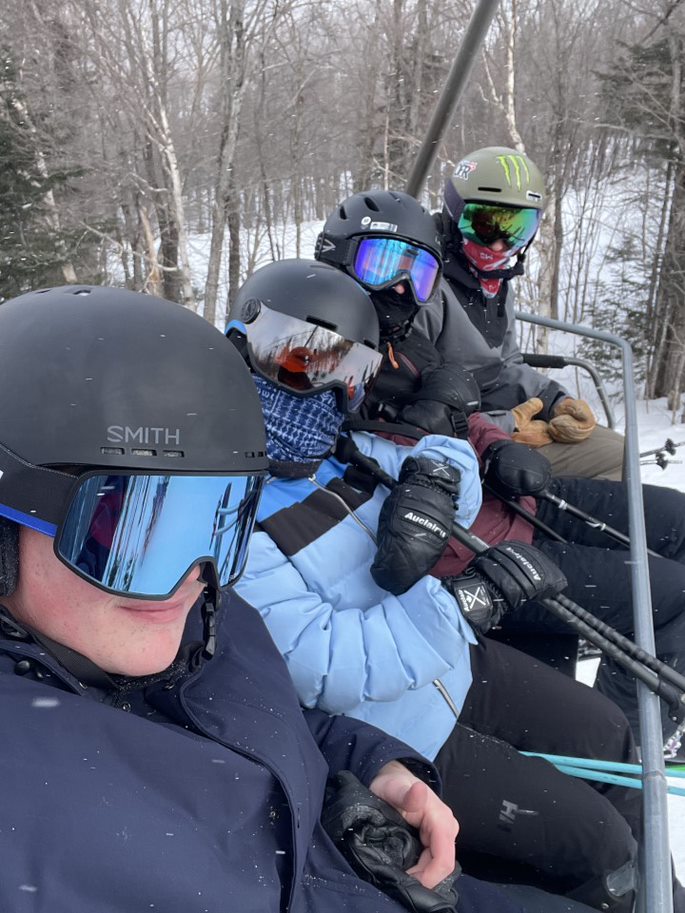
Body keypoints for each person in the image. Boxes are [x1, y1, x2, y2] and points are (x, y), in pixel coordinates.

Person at [0, 283, 527, 913]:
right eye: (127, 525)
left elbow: (263, 713)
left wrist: (368, 765)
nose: (193, 576)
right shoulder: (29, 814)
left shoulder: (203, 615)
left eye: (218, 518)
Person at [228, 258, 653, 913]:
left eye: (346, 370)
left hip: (452, 662)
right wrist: (465, 600)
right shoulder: (227, 506)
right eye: (297, 358)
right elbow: (323, 665)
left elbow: (446, 478)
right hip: (396, 733)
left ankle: (657, 887)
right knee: (599, 842)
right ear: (241, 345)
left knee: (608, 729)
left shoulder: (338, 451)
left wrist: (436, 467)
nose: (320, 385)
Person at [314, 188, 685, 747]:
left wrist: (494, 444)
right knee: (671, 593)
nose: (396, 287)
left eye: (416, 275)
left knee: (674, 517)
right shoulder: (319, 358)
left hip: (513, 504)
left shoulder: (402, 341)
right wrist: (433, 451)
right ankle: (637, 740)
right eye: (380, 263)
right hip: (477, 552)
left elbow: (462, 402)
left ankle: (639, 724)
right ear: (336, 259)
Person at [404, 146, 625, 481]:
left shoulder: (493, 279)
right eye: (485, 225)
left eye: (516, 230)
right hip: (462, 441)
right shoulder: (423, 284)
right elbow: (415, 404)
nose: (498, 246)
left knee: (621, 455)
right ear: (454, 212)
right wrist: (507, 425)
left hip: (494, 416)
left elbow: (505, 364)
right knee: (614, 467)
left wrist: (553, 400)